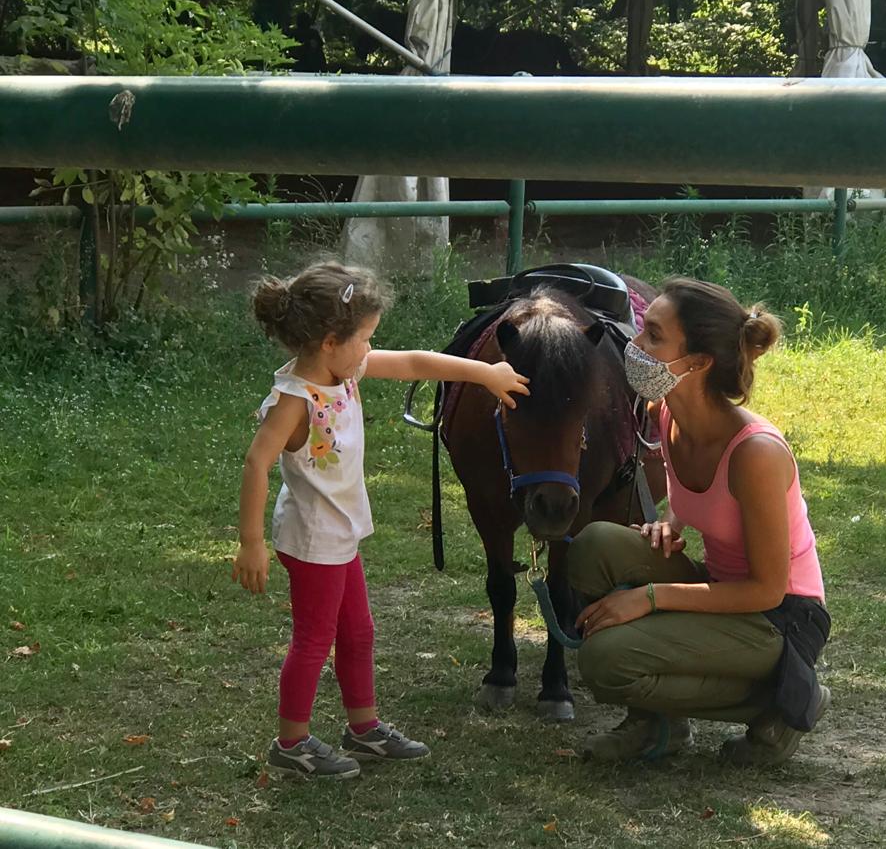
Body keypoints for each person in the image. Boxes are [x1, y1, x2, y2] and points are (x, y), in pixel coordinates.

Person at [232, 262, 530, 779]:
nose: (371, 347)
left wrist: (485, 372)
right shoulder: (296, 400)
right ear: (330, 342)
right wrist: (250, 542)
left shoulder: (343, 370)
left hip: (340, 533)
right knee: (314, 640)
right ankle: (291, 742)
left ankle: (363, 728)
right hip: (313, 540)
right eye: (366, 337)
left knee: (359, 632)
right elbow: (257, 462)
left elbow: (414, 363)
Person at [567, 276, 830, 765]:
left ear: (699, 363)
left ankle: (784, 701)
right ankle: (656, 724)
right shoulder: (666, 412)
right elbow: (695, 492)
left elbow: (768, 590)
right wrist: (672, 520)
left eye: (654, 336)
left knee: (606, 658)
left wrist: (649, 597)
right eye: (642, 328)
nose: (635, 345)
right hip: (726, 589)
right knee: (594, 545)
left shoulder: (756, 454)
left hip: (782, 617)